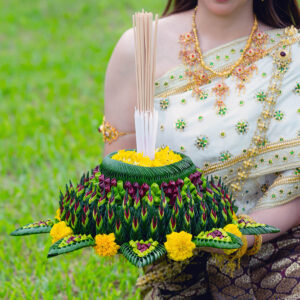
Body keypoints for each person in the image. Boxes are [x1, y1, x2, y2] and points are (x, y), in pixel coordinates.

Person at [101, 0, 300, 298]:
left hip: (282, 249)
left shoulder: (293, 52)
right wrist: (154, 222)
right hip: (177, 261)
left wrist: (245, 235)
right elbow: (119, 171)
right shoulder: (141, 45)